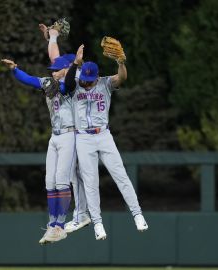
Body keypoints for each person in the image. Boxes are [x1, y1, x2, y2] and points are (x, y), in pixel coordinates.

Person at [64, 44, 149, 240]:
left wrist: (120, 63)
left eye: (88, 80)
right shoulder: (76, 82)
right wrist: (76, 63)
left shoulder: (105, 83)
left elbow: (122, 78)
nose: (85, 83)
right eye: (83, 79)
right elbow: (68, 82)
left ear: (96, 76)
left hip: (103, 135)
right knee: (91, 183)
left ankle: (137, 214)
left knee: (121, 175)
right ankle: (98, 223)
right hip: (83, 137)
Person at [1, 56, 75, 244]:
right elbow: (30, 80)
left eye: (57, 69)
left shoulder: (73, 82)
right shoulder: (50, 82)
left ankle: (60, 225)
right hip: (55, 136)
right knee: (49, 180)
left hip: (69, 135)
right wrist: (15, 69)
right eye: (53, 69)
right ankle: (52, 225)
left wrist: (66, 76)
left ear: (67, 69)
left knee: (61, 180)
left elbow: (67, 87)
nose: (53, 72)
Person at [38, 24, 92, 233]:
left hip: (83, 130)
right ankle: (77, 214)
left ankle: (81, 214)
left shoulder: (75, 77)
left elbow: (66, 73)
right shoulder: (65, 72)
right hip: (73, 129)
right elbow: (55, 58)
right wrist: (52, 37)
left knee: (72, 176)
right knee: (71, 176)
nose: (54, 69)